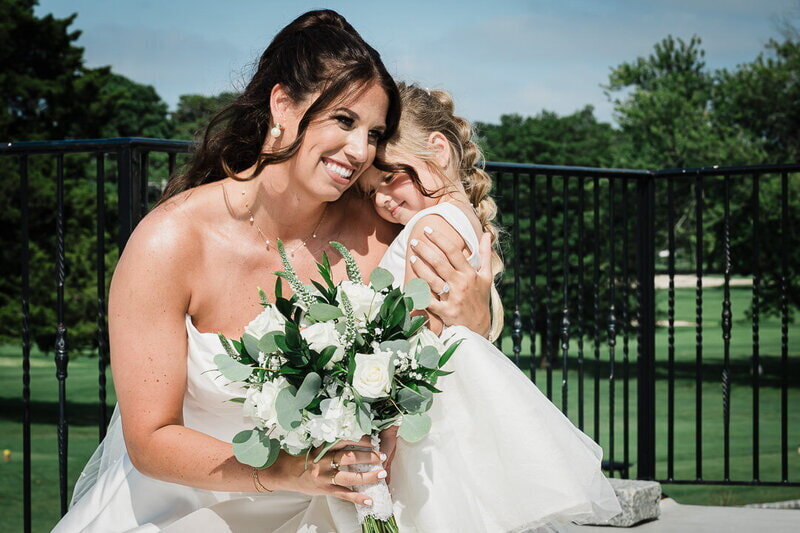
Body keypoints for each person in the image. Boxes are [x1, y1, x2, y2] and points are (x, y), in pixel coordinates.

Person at [53, 11, 492, 533]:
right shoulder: (170, 242)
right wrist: (287, 472)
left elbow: (439, 376)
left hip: (337, 510)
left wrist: (477, 321)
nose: (360, 152)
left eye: (374, 133)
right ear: (282, 104)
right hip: (184, 508)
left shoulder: (382, 233)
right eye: (344, 121)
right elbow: (150, 439)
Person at [359, 83, 622, 532]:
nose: (382, 199)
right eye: (370, 192)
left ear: (438, 150)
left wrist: (383, 428)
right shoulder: (461, 219)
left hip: (418, 413)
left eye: (388, 178)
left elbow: (409, 335)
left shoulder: (429, 224)